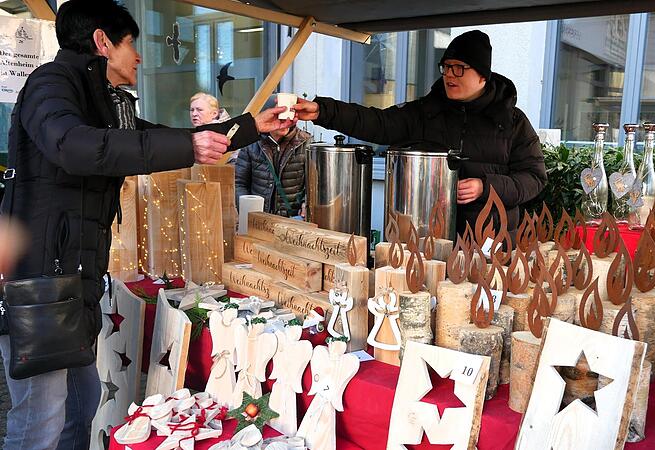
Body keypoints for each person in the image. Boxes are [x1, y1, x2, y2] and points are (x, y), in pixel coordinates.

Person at [0, 1, 293, 448]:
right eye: (131, 44)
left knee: (81, 405)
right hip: (41, 282)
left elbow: (158, 137)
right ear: (102, 42)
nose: (138, 57)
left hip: (76, 280)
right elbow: (73, 146)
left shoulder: (102, 100)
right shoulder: (50, 84)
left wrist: (251, 126)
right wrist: (189, 145)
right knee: (40, 417)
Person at [293, 30, 546, 237]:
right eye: (445, 67)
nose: (449, 75)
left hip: (489, 243)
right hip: (429, 241)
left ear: (482, 75)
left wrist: (486, 186)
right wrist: (322, 111)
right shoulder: (427, 111)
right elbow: (377, 122)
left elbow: (534, 178)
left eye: (458, 68)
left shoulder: (512, 121)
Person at [235, 118, 312, 218]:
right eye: (280, 117)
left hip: (293, 219)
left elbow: (314, 185)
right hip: (259, 218)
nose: (286, 122)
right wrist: (247, 210)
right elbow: (239, 182)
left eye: (290, 116)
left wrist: (306, 203)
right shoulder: (251, 143)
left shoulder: (307, 143)